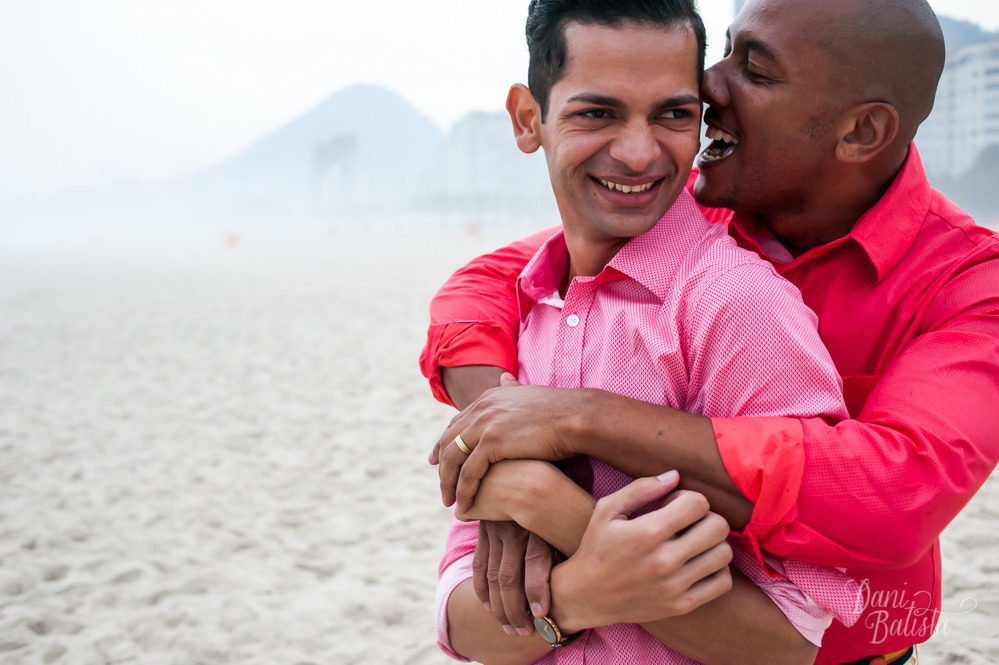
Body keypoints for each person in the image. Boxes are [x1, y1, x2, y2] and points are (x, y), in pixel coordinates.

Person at [424, 0, 999, 664]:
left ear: (861, 130)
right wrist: (505, 449)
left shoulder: (970, 286)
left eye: (752, 69)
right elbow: (491, 280)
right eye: (724, 49)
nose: (707, 85)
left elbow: (888, 496)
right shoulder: (684, 200)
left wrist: (573, 428)